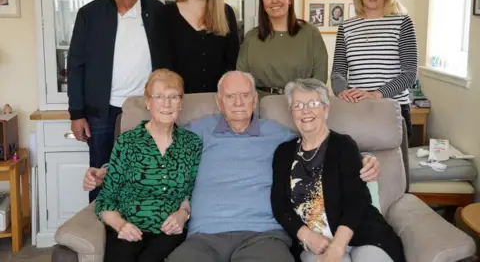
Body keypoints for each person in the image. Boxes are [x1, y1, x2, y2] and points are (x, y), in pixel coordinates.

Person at [84, 71, 380, 262]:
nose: (238, 102)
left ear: (255, 99)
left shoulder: (279, 134)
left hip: (262, 235)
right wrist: (107, 170)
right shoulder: (196, 131)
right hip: (204, 237)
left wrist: (364, 159)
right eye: (230, 96)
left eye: (245, 95)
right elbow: (156, 145)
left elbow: (320, 146)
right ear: (219, 102)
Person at [67, 0, 167, 201]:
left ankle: (140, 233)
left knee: (148, 175)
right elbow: (76, 65)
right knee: (102, 176)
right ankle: (101, 233)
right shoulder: (89, 14)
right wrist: (77, 114)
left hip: (148, 110)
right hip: (103, 112)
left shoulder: (157, 11)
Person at [271, 78, 405, 262]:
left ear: (326, 109)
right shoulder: (283, 153)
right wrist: (307, 236)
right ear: (291, 112)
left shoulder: (343, 146)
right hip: (314, 244)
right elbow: (280, 205)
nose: (305, 110)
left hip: (362, 233)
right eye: (298, 105)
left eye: (313, 103)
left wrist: (338, 245)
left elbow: (356, 199)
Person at [95, 69, 203, 262]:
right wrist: (121, 226)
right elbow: (105, 199)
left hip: (170, 231)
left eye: (173, 97)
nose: (167, 103)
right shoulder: (127, 142)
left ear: (181, 103)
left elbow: (194, 191)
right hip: (130, 226)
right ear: (147, 102)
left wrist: (183, 214)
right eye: (159, 96)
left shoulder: (192, 144)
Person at [330, 0, 418, 139]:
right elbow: (337, 73)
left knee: (394, 167)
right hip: (356, 110)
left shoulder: (403, 23)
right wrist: (342, 92)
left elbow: (409, 74)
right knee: (357, 166)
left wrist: (376, 94)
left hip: (393, 110)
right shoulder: (346, 27)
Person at [236, 0, 328, 98]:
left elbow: (319, 79)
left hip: (301, 106)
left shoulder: (310, 33)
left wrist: (302, 103)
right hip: (260, 107)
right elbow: (241, 80)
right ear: (262, 3)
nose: (274, 0)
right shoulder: (251, 38)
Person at [160, 0, 239, 94]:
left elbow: (231, 62)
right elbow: (164, 64)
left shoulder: (226, 13)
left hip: (218, 100)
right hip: (179, 101)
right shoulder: (167, 14)